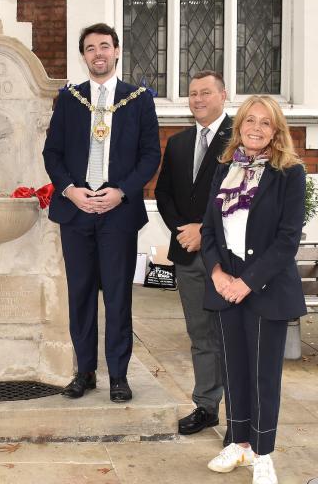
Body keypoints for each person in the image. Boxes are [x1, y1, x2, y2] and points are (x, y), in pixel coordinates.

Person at [42, 23, 160, 402]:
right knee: (80, 295)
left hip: (118, 213)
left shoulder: (137, 100)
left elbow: (150, 155)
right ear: (83, 56)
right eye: (90, 48)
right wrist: (71, 191)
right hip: (76, 212)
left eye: (104, 46)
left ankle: (119, 376)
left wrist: (121, 192)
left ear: (117, 51)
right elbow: (52, 153)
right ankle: (85, 372)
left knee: (118, 297)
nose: (98, 54)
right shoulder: (70, 100)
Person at [202, 95, 306, 484]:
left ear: (276, 130)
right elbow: (209, 229)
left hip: (265, 288)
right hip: (225, 286)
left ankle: (263, 454)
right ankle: (240, 443)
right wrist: (216, 273)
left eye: (265, 122)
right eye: (250, 120)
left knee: (263, 376)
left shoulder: (290, 173)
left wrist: (247, 282)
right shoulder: (225, 167)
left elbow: (287, 240)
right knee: (234, 371)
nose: (256, 128)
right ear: (239, 126)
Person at [155, 70, 231, 441]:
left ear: (223, 95)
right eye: (193, 93)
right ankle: (206, 406)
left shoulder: (242, 138)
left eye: (205, 92)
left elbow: (242, 198)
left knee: (231, 336)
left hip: (227, 258)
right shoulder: (179, 142)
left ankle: (241, 416)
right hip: (187, 255)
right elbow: (163, 192)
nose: (198, 99)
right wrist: (184, 232)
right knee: (201, 334)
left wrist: (205, 230)